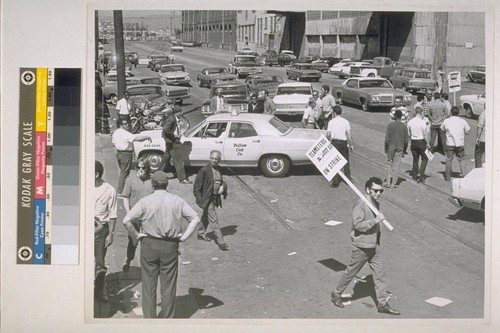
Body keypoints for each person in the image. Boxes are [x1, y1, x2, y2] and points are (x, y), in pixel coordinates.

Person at [123, 171, 200, 318]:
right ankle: (166, 320)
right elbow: (195, 219)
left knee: (148, 285)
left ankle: (150, 320)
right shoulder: (177, 200)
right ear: (167, 184)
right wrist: (183, 237)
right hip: (170, 247)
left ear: (152, 184)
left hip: (149, 245)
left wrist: (137, 235)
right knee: (169, 286)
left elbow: (126, 220)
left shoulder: (145, 201)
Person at [331, 177, 400, 316]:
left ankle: (382, 304)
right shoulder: (360, 205)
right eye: (376, 190)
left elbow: (358, 226)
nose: (378, 193)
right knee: (351, 272)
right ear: (368, 190)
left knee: (380, 275)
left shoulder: (376, 204)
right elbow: (358, 224)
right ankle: (336, 294)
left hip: (374, 246)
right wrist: (375, 220)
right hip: (362, 247)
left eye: (381, 191)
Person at [121, 159, 154, 273]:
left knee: (146, 242)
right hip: (134, 217)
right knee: (133, 241)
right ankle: (129, 259)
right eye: (138, 167)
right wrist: (129, 212)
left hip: (147, 218)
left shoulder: (152, 181)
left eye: (143, 168)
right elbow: (125, 197)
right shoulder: (130, 180)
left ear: (147, 169)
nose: (140, 170)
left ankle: (146, 265)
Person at [193, 150, 229, 251]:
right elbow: (197, 186)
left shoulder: (219, 169)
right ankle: (221, 242)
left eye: (216, 159)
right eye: (212, 158)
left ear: (219, 160)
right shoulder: (204, 170)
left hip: (214, 198)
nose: (214, 160)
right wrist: (200, 199)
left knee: (206, 215)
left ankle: (200, 233)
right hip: (207, 199)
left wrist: (223, 186)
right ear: (209, 158)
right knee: (214, 220)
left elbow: (221, 181)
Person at [94, 161, 117, 303]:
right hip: (85, 229)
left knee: (99, 263)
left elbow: (113, 214)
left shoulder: (109, 190)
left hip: (101, 231)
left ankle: (99, 292)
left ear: (96, 174)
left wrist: (111, 234)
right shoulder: (83, 186)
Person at [111, 119, 152, 195]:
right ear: (121, 125)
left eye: (127, 124)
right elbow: (137, 139)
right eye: (125, 124)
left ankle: (123, 190)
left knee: (123, 172)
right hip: (126, 154)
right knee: (124, 174)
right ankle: (120, 191)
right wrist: (147, 137)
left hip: (119, 153)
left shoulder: (115, 133)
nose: (127, 125)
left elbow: (113, 143)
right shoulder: (125, 133)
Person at [158, 104, 192, 184]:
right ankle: (182, 178)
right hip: (173, 141)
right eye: (180, 112)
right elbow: (166, 129)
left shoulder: (174, 118)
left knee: (166, 157)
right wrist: (174, 135)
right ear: (177, 112)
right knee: (179, 160)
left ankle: (157, 174)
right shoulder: (172, 119)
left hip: (169, 141)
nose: (181, 114)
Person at [326, 105, 353, 188]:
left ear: (334, 113)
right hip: (344, 143)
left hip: (335, 143)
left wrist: (328, 141)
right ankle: (348, 180)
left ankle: (335, 182)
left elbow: (328, 134)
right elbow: (349, 134)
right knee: (346, 161)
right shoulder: (345, 121)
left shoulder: (331, 122)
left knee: (335, 162)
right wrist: (351, 144)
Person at [441, 106, 470, 180]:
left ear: (451, 112)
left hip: (450, 143)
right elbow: (467, 132)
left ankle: (447, 177)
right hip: (460, 143)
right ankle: (464, 175)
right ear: (458, 113)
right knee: (462, 159)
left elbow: (442, 129)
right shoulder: (462, 121)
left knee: (449, 159)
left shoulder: (446, 121)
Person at [384, 109, 408, 189]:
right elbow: (406, 141)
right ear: (401, 117)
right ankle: (393, 183)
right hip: (400, 148)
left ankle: (388, 182)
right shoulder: (404, 127)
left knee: (389, 164)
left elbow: (387, 138)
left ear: (395, 116)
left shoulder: (390, 125)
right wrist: (404, 150)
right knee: (397, 165)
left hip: (391, 147)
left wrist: (385, 148)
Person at [407, 106, 431, 183]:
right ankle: (421, 174)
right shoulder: (422, 122)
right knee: (424, 158)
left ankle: (414, 175)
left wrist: (412, 137)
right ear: (421, 113)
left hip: (413, 142)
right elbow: (425, 134)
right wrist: (427, 143)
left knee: (415, 159)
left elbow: (408, 134)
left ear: (415, 113)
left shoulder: (410, 122)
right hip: (421, 142)